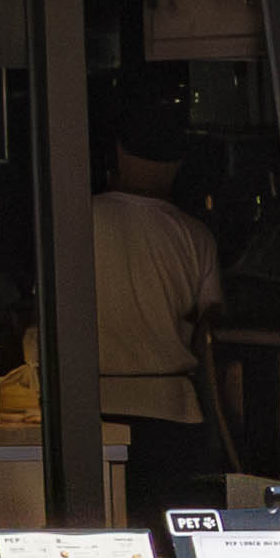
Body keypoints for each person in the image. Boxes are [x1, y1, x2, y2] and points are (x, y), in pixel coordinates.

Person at [89, 92, 224, 518]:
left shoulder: (76, 220)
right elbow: (210, 331)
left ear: (117, 153)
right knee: (170, 538)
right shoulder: (194, 235)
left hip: (91, 406)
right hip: (173, 411)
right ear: (178, 163)